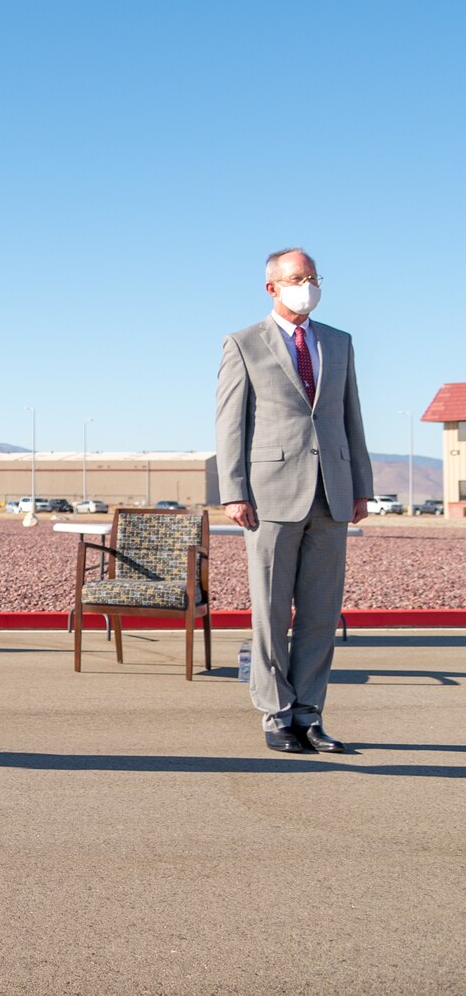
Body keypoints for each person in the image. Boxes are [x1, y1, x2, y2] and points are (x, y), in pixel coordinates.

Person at [216, 246, 372, 754]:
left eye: (313, 276)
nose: (307, 285)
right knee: (270, 612)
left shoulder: (338, 342)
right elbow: (230, 425)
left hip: (333, 491)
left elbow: (351, 418)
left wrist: (362, 485)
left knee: (320, 614)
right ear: (272, 287)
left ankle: (309, 714)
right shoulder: (243, 343)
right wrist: (234, 490)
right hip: (270, 497)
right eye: (297, 277)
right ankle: (275, 714)